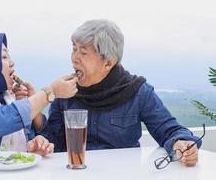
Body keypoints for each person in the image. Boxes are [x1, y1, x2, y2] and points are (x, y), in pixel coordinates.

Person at [39, 19, 202, 167]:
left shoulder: (138, 92)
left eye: (83, 53)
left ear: (108, 62)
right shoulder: (65, 93)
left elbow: (169, 130)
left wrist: (181, 143)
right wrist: (36, 112)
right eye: (74, 49)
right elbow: (55, 143)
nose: (74, 58)